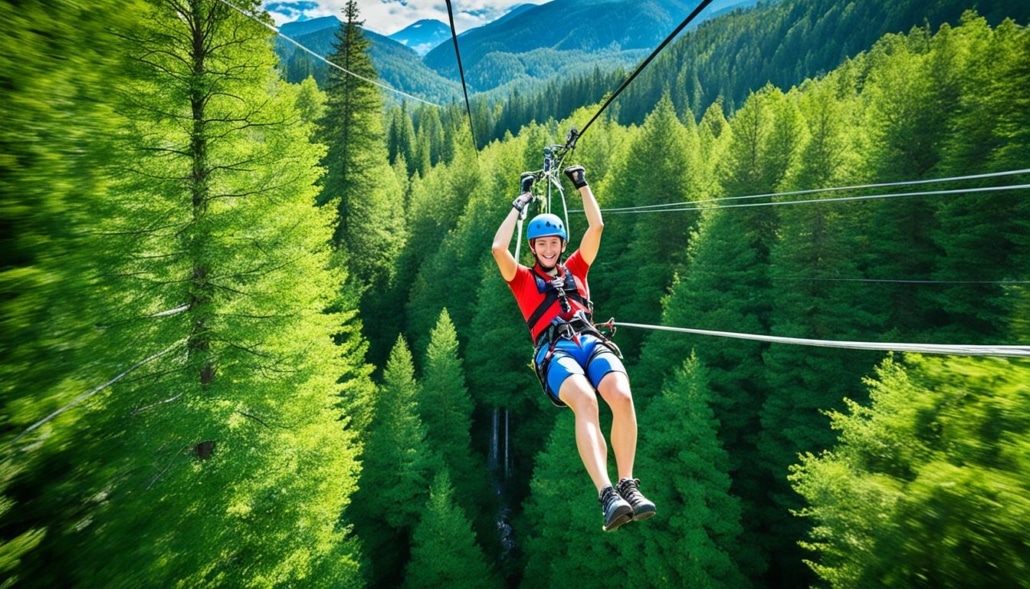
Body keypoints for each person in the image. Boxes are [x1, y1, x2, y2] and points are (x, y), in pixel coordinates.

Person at [491, 165, 656, 532]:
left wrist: (582, 185)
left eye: (554, 243)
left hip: (591, 342)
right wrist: (519, 205)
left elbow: (596, 228)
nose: (548, 249)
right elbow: (498, 248)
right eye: (541, 244)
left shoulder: (577, 270)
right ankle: (607, 494)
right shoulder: (522, 280)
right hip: (555, 353)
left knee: (622, 397)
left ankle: (627, 483)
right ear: (533, 248)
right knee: (587, 401)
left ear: (562, 246)